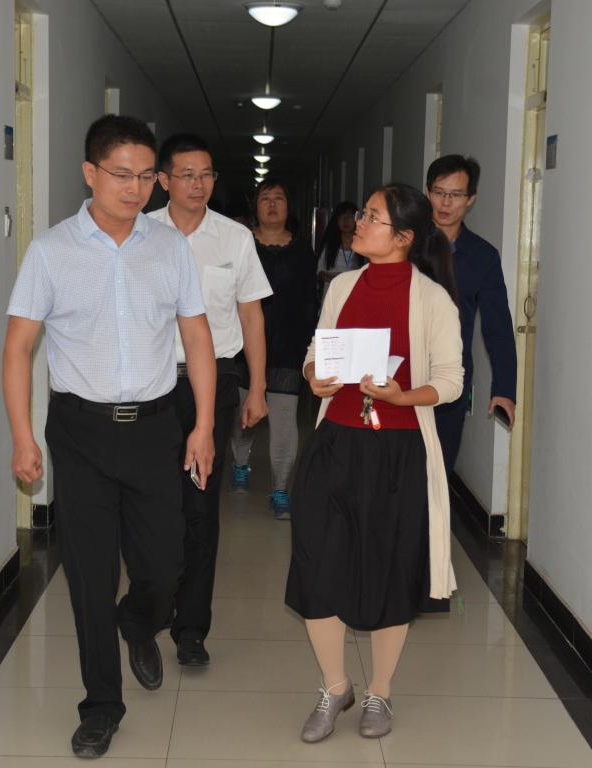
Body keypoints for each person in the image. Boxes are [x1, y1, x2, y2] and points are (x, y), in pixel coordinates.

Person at [2, 115, 216, 759]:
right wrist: (22, 436)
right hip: (81, 433)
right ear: (89, 174)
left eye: (147, 176)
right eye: (122, 175)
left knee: (166, 567)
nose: (136, 188)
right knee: (90, 577)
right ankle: (101, 705)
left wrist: (204, 425)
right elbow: (18, 348)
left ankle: (139, 620)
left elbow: (197, 335)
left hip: (155, 428)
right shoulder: (51, 252)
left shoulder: (169, 247)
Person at [285, 184, 463, 741]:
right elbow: (317, 350)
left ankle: (379, 692)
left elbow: (451, 382)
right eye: (363, 213)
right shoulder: (342, 285)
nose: (358, 222)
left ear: (404, 237)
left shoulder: (433, 300)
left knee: (388, 569)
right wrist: (314, 375)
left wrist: (401, 396)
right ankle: (335, 686)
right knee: (317, 564)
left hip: (397, 452)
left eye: (372, 217)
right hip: (335, 444)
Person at [149, 133, 272, 667]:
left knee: (200, 506)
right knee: (155, 506)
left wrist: (257, 387)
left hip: (216, 384)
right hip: (151, 385)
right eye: (187, 175)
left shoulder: (234, 238)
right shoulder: (140, 233)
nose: (198, 185)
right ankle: (153, 605)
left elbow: (251, 314)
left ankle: (192, 628)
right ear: (163, 181)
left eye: (207, 175)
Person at [426, 154, 517, 476]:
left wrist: (504, 389)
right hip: (400, 374)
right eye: (439, 192)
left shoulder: (483, 256)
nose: (445, 202)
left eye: (456, 195)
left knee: (438, 470)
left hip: (450, 378)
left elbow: (497, 327)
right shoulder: (405, 245)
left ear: (471, 199)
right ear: (427, 192)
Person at [230, 179, 317, 519]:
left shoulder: (303, 250)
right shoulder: (242, 245)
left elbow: (310, 302)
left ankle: (280, 489)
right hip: (243, 347)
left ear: (288, 206)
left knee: (283, 419)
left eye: (279, 198)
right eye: (265, 198)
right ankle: (240, 464)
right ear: (256, 206)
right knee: (244, 417)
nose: (272, 204)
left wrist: (310, 345)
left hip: (288, 348)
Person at [315, 200, 363, 302]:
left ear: (356, 219)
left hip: (354, 297)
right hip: (331, 297)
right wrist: (337, 278)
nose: (345, 220)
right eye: (341, 216)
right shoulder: (330, 246)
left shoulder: (363, 245)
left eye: (350, 216)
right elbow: (319, 271)